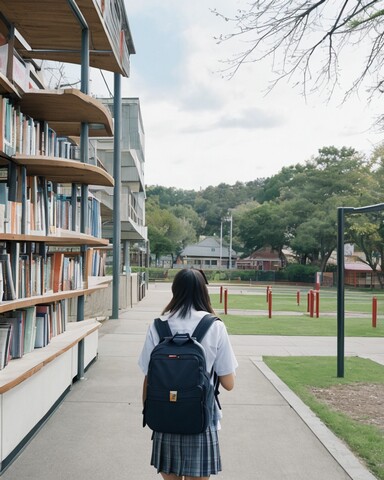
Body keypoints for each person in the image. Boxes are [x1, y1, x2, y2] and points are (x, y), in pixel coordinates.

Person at [138, 268, 238, 480]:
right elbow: (229, 383)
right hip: (200, 418)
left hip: (164, 416)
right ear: (204, 291)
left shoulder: (158, 326)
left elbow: (148, 377)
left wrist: (150, 412)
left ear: (175, 290)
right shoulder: (215, 326)